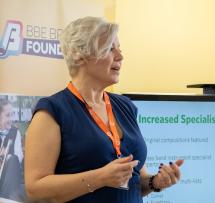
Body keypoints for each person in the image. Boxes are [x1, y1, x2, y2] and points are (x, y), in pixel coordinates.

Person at [24, 16, 184, 203]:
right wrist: (100, 177)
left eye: (119, 49)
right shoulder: (52, 112)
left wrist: (155, 182)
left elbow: (134, 183)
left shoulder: (125, 106)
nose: (120, 56)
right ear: (79, 54)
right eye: (110, 48)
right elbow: (35, 188)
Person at [0, 99, 24, 200]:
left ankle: (4, 198)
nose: (11, 119)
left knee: (14, 159)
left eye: (12, 115)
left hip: (9, 174)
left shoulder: (15, 132)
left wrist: (8, 156)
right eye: (7, 115)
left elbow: (19, 156)